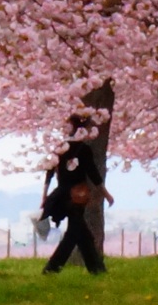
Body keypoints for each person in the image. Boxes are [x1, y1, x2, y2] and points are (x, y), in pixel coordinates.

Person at [41, 115, 108, 275]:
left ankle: (97, 269)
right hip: (78, 196)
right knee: (74, 233)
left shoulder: (60, 148)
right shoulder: (84, 149)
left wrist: (44, 195)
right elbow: (93, 173)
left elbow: (49, 171)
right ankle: (52, 268)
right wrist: (105, 193)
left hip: (62, 194)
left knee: (82, 233)